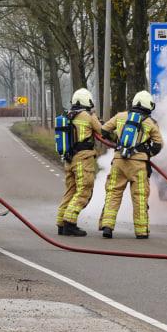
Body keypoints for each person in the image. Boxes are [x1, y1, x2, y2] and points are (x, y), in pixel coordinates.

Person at [98, 90, 164, 239]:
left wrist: (117, 142)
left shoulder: (120, 116)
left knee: (113, 193)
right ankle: (141, 232)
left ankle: (107, 226)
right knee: (139, 197)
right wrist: (147, 154)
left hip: (119, 162)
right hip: (138, 165)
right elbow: (158, 144)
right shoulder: (150, 123)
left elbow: (104, 130)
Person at [56, 88, 102, 236]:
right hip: (83, 159)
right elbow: (103, 131)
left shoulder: (68, 115)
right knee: (84, 190)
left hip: (69, 159)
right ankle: (70, 223)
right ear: (87, 101)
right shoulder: (88, 116)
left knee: (71, 191)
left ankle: (61, 223)